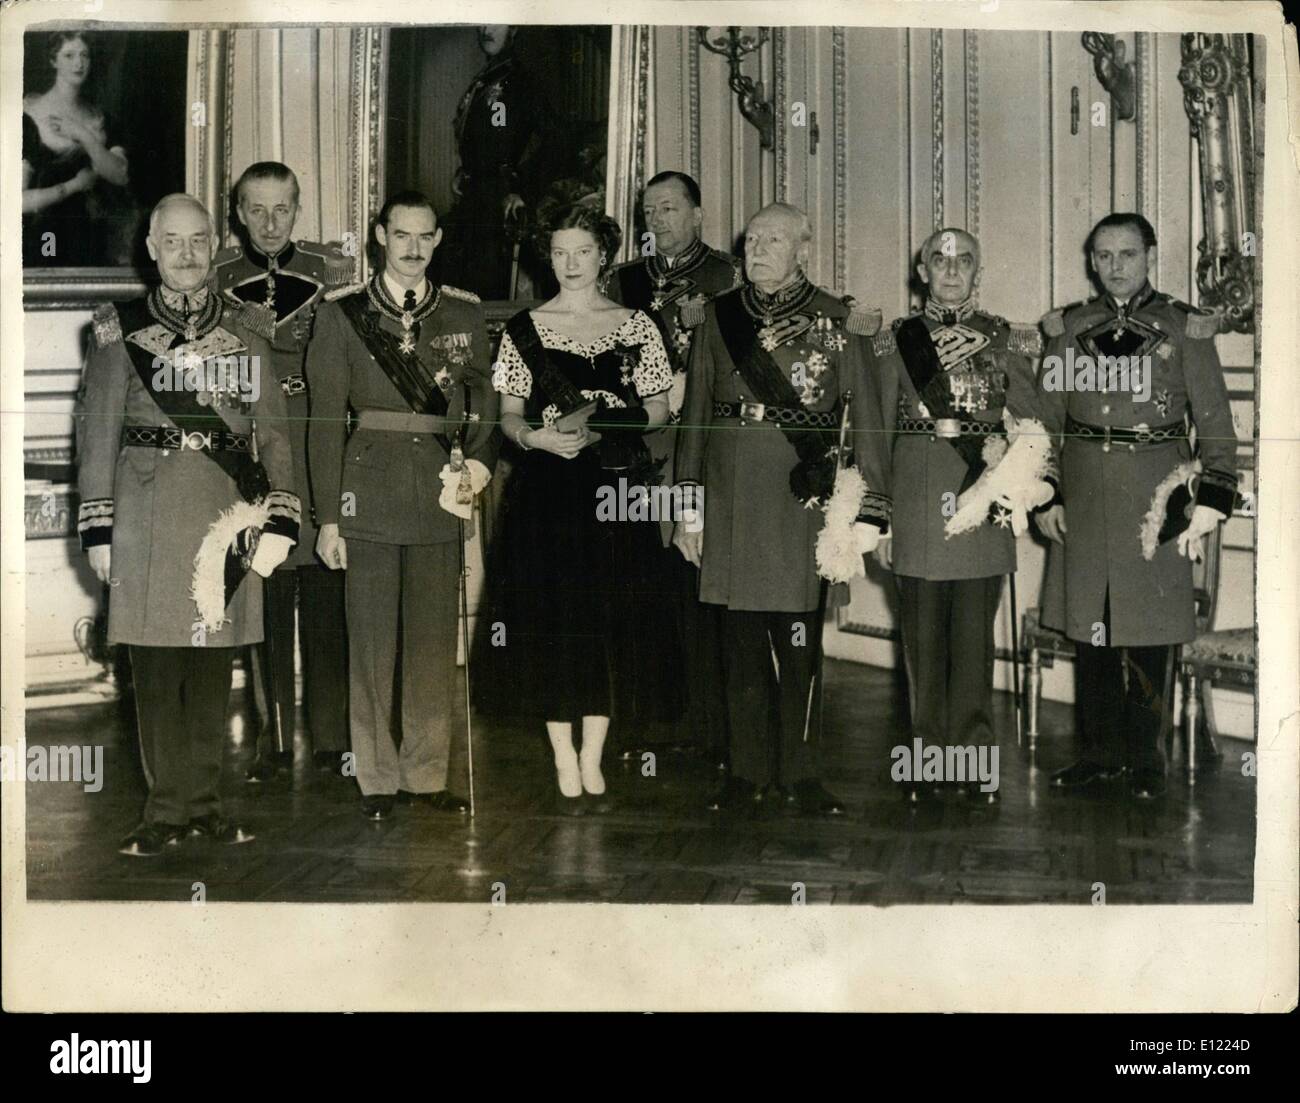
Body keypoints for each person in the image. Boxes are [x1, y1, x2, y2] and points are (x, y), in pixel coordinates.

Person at [74, 194, 299, 857]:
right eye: (172, 242)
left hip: (224, 513)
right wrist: (98, 528)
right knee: (155, 667)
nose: (186, 254)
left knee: (212, 668)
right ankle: (163, 809)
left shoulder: (250, 327)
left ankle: (206, 803)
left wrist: (280, 512)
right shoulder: (118, 329)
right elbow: (98, 433)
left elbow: (274, 434)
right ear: (151, 248)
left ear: (215, 246)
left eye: (198, 241)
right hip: (145, 515)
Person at [673, 202, 880, 817]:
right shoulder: (719, 316)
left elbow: (864, 417)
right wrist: (689, 508)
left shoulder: (839, 319)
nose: (757, 249)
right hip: (732, 497)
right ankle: (745, 773)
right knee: (737, 648)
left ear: (804, 249)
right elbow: (696, 418)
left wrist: (869, 513)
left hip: (801, 501)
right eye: (752, 239)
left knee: (797, 648)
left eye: (773, 240)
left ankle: (800, 773)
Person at [475, 202, 677, 815]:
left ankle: (595, 753)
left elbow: (661, 409)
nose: (570, 264)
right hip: (547, 492)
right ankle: (562, 752)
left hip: (615, 485)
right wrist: (534, 438)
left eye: (582, 252)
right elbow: (507, 416)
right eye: (560, 252)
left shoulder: (637, 325)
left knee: (611, 614)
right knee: (552, 619)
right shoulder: (524, 329)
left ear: (603, 256)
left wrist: (600, 425)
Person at [307, 191, 497, 820]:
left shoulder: (464, 316)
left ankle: (425, 773)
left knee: (431, 643)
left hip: (439, 491)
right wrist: (328, 518)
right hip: (368, 490)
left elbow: (484, 407)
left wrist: (476, 467)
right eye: (401, 235)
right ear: (379, 237)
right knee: (369, 642)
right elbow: (325, 421)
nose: (413, 249)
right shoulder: (340, 315)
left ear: (437, 240)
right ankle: (376, 779)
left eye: (424, 237)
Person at [1034, 212, 1238, 801]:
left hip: (1157, 498)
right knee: (1092, 628)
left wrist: (1211, 499)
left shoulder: (1183, 328)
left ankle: (1146, 760)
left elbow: (1216, 424)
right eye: (1104, 256)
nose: (1115, 267)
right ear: (1092, 261)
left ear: (1150, 255)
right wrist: (1045, 495)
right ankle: (1098, 755)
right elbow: (1042, 424)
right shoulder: (1067, 330)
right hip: (1087, 498)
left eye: (1127, 254)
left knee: (1150, 633)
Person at [860, 228, 1055, 806]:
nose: (950, 271)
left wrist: (1018, 488)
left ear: (979, 272)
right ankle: (924, 760)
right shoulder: (893, 341)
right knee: (921, 645)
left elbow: (1033, 427)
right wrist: (881, 519)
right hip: (916, 505)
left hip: (981, 502)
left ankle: (971, 762)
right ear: (921, 272)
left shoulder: (1008, 339)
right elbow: (875, 436)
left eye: (963, 261)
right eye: (938, 262)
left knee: (973, 643)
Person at [213, 161, 355, 783]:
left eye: (283, 209)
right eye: (256, 209)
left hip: (321, 438)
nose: (270, 224)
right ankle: (273, 739)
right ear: (238, 213)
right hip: (258, 444)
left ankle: (331, 738)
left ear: (298, 209)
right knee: (266, 591)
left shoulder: (331, 272)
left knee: (327, 595)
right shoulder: (217, 277)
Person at [602, 170, 742, 767]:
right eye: (649, 211)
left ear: (698, 214)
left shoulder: (727, 277)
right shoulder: (623, 281)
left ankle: (708, 728)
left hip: (699, 454)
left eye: (669, 208)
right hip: (635, 457)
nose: (657, 221)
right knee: (640, 585)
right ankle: (642, 726)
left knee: (697, 587)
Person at [441, 24, 550, 299]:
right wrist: (466, 171)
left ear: (513, 28)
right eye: (481, 20)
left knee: (486, 287)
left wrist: (522, 189)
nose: (486, 29)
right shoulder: (488, 78)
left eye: (496, 21)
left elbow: (554, 139)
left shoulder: (519, 80)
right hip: (476, 196)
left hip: (498, 203)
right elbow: (488, 141)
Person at [22, 31, 131, 266]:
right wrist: (74, 187)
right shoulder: (29, 116)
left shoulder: (101, 118)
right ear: (53, 61)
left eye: (85, 55)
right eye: (69, 55)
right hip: (44, 234)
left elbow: (119, 175)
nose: (79, 63)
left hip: (93, 232)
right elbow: (16, 201)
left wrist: (82, 134)